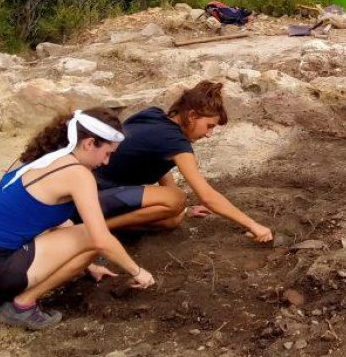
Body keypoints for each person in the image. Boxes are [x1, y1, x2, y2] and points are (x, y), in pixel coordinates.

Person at [0, 109, 155, 330]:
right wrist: (138, 271)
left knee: (79, 232)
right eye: (107, 153)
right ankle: (22, 306)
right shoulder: (78, 174)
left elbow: (57, 223)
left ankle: (14, 292)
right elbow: (99, 238)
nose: (106, 162)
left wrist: (88, 265)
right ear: (89, 143)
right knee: (93, 237)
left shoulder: (49, 160)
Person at [89, 80, 274, 242]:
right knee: (177, 199)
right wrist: (253, 225)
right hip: (88, 197)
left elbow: (157, 162)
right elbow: (207, 196)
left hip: (97, 192)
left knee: (174, 218)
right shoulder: (175, 141)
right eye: (209, 126)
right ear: (192, 116)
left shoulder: (153, 115)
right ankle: (93, 230)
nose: (209, 134)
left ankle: (102, 225)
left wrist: (182, 210)